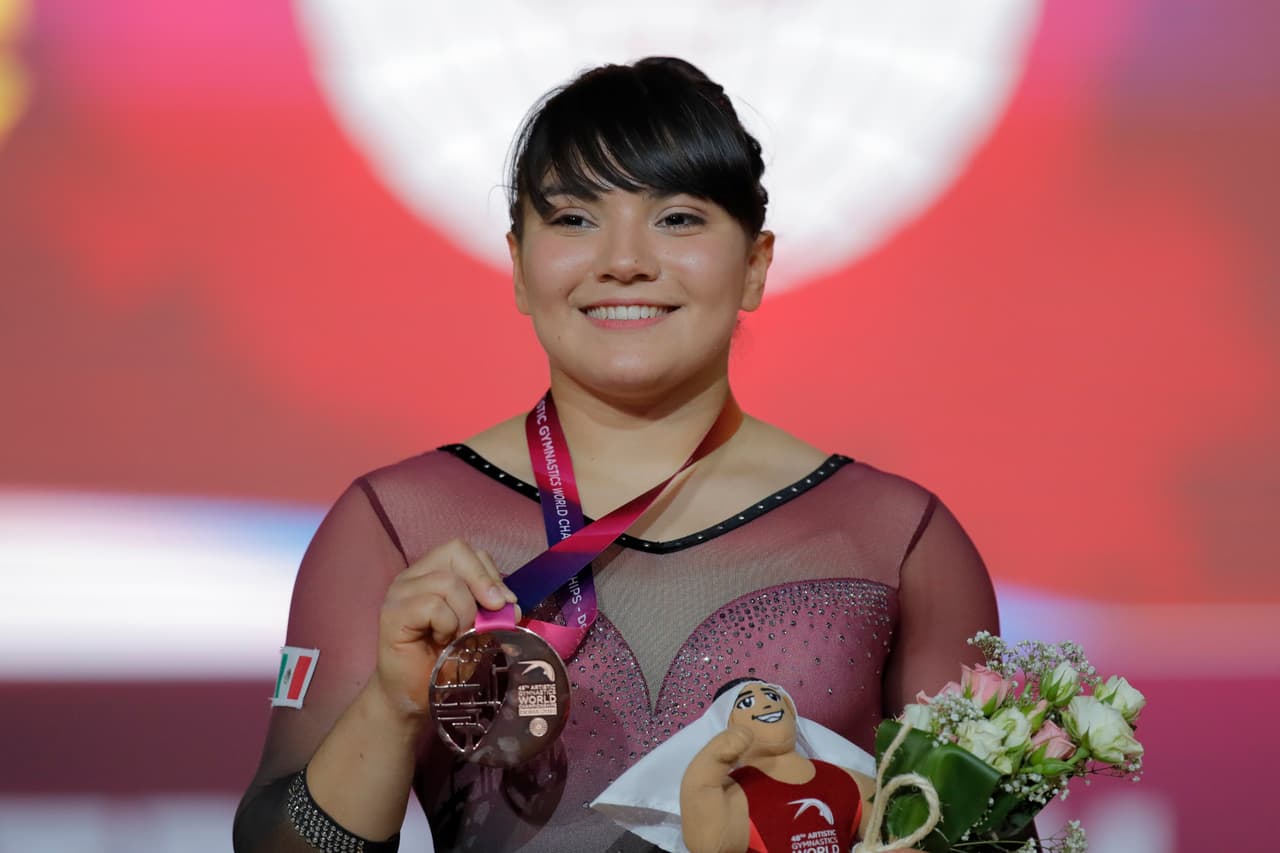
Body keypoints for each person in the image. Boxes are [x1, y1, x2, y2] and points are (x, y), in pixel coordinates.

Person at [232, 56, 998, 853]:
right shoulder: (392, 527)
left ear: (756, 266)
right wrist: (391, 706)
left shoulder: (902, 540)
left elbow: (992, 840)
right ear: (519, 264)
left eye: (678, 218)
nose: (624, 259)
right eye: (573, 219)